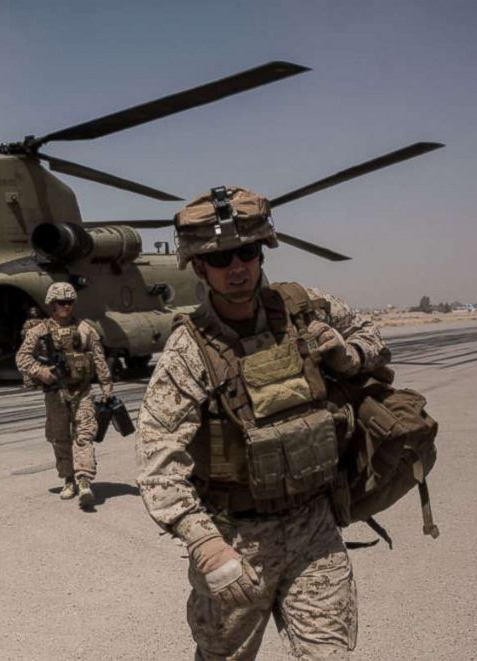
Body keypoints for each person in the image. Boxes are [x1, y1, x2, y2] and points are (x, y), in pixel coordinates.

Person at [135, 187, 391, 658]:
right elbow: (158, 464)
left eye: (246, 252)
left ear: (261, 250)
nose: (237, 268)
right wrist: (205, 544)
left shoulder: (304, 307)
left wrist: (349, 355)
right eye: (221, 258)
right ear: (199, 267)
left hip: (315, 526)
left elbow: (370, 335)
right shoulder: (188, 351)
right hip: (237, 539)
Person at [16, 282, 113, 510]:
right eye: (61, 303)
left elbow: (98, 359)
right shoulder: (39, 332)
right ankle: (68, 480)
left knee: (84, 435)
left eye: (69, 302)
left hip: (82, 391)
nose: (66, 307)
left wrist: (106, 385)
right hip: (55, 394)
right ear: (52, 304)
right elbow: (22, 358)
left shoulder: (85, 330)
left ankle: (84, 480)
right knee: (60, 438)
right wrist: (40, 371)